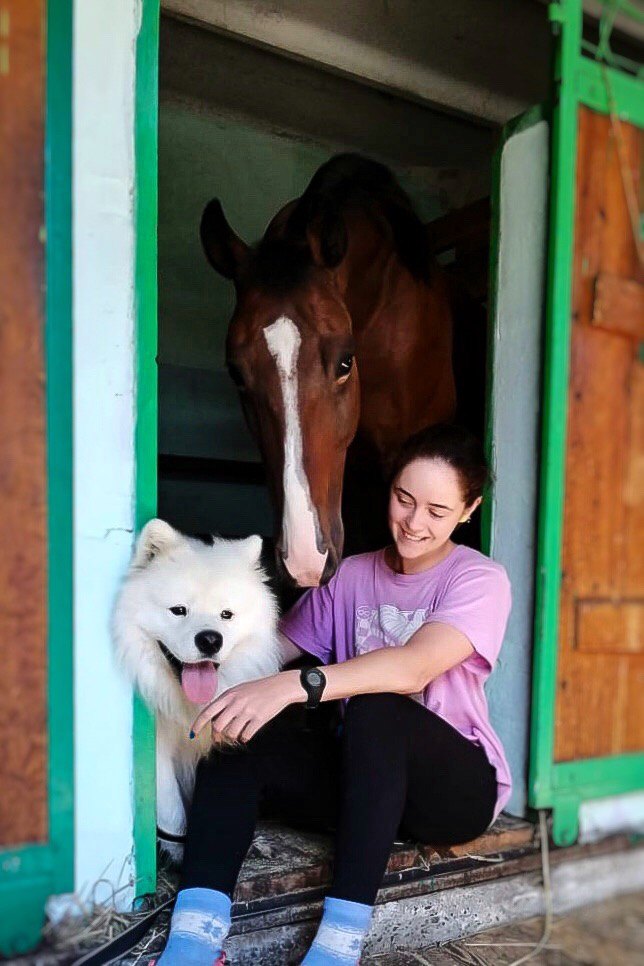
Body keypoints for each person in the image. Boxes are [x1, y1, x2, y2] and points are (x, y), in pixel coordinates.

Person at [156, 423, 512, 966]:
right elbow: (265, 652)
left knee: (377, 704)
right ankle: (194, 939)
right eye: (404, 499)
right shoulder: (349, 575)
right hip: (363, 787)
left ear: (469, 511)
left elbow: (414, 668)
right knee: (238, 725)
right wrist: (197, 636)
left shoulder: (479, 579)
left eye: (438, 512)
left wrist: (299, 686)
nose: (415, 523)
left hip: (451, 792)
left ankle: (336, 950)